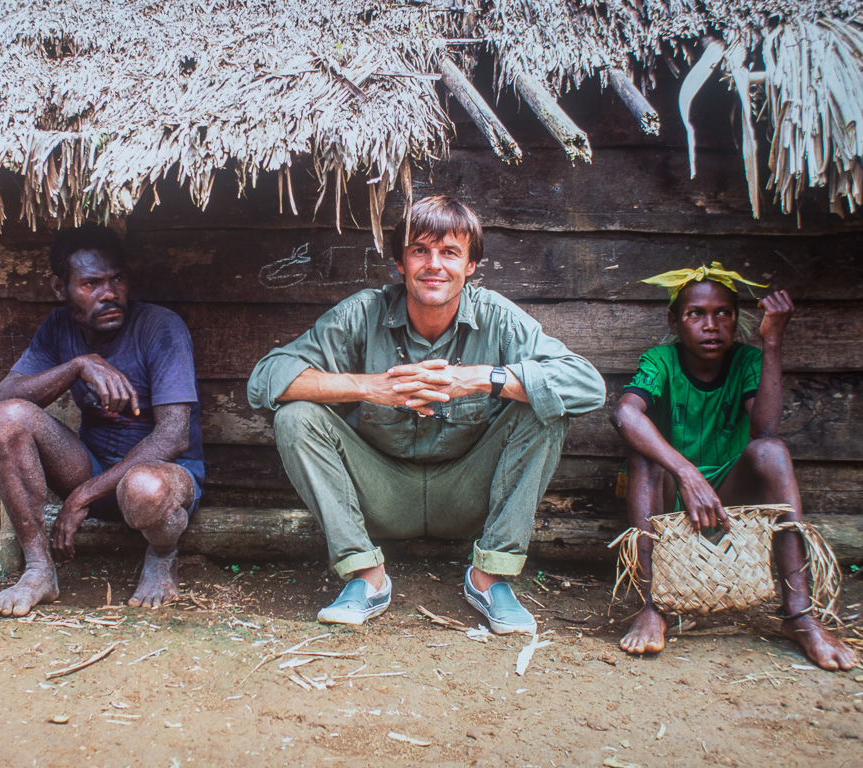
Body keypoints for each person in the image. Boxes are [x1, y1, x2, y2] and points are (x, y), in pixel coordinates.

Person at [247, 195, 606, 632]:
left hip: (467, 493)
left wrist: (480, 378)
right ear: (401, 262)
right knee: (296, 415)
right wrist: (372, 387)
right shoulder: (364, 312)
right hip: (379, 494)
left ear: (471, 265)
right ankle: (365, 575)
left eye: (450, 252)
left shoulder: (496, 317)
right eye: (420, 250)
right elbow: (265, 379)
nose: (433, 264)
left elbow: (587, 386)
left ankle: (490, 577)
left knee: (544, 405)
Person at [610, 263, 857, 671]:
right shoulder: (661, 360)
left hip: (728, 499)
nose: (711, 325)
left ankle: (799, 614)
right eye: (696, 314)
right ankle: (653, 606)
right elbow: (624, 415)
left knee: (771, 451)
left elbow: (765, 429)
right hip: (670, 499)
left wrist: (773, 341)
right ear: (674, 321)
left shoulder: (746, 360)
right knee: (644, 456)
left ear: (736, 320)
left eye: (723, 313)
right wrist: (687, 474)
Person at [0, 223, 204, 617]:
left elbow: (173, 437)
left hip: (162, 480)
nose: (110, 293)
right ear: (60, 289)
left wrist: (83, 496)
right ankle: (39, 571)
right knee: (8, 418)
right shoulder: (59, 327)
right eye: (91, 283)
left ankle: (162, 554)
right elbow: (5, 395)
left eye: (117, 279)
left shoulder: (159, 327)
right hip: (92, 469)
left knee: (143, 488)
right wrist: (76, 366)